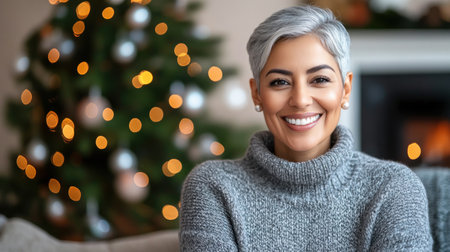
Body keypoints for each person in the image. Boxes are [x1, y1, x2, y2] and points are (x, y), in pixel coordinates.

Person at [179, 5, 432, 251]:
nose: (300, 99)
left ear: (345, 90)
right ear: (256, 94)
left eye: (319, 80)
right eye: (280, 82)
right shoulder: (213, 188)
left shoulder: (393, 188)